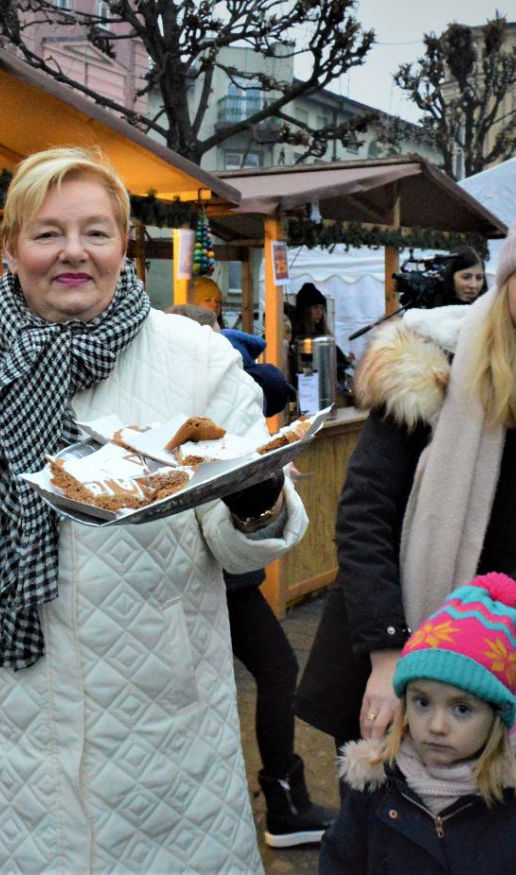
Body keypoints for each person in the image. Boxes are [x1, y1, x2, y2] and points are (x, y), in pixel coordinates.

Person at [0, 146, 310, 874]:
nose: (73, 253)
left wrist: (254, 500)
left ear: (125, 244)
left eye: (95, 231)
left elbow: (242, 546)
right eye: (49, 232)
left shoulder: (197, 360)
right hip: (3, 731)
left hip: (161, 729)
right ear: (10, 247)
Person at [296, 159, 516, 752]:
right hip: (395, 658)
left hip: (508, 674)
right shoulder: (431, 367)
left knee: (494, 840)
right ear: (506, 282)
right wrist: (388, 655)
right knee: (381, 833)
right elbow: (365, 514)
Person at [167, 302, 335, 848]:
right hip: (206, 570)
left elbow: (271, 385)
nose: (220, 350)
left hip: (224, 566)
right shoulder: (184, 396)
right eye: (211, 339)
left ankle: (279, 799)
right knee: (271, 672)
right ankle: (281, 803)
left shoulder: (215, 385)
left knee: (268, 673)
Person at [320, 573, 516, 874]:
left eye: (461, 708)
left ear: (497, 714)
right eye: (422, 702)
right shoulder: (372, 793)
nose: (436, 726)